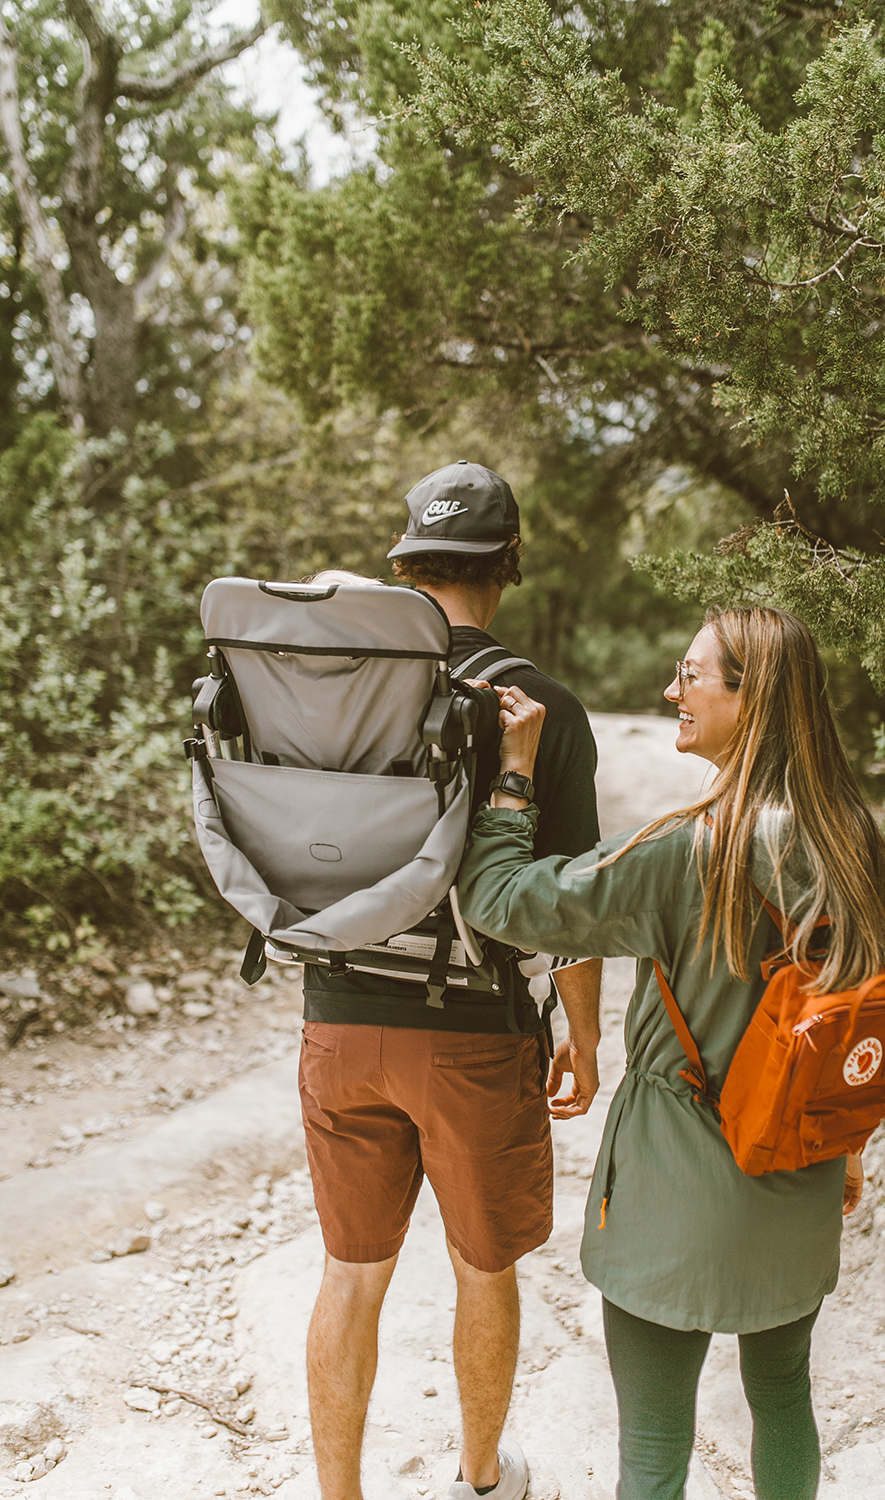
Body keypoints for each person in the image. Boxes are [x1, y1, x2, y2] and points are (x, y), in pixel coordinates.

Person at [456, 605, 885, 1500]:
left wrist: (514, 779)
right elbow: (851, 1011)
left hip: (676, 1175)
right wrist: (848, 1144)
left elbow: (499, 900)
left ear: (754, 697)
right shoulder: (857, 839)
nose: (671, 690)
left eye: (691, 675)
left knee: (655, 1440)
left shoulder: (691, 847)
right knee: (782, 1397)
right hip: (802, 1156)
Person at [298, 461, 604, 1500]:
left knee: (350, 1273)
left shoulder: (333, 685)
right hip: (474, 1027)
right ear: (509, 564)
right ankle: (482, 1477)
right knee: (485, 1267)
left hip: (336, 1015)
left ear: (401, 563)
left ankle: (338, 1492)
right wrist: (585, 1037)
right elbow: (567, 903)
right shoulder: (542, 704)